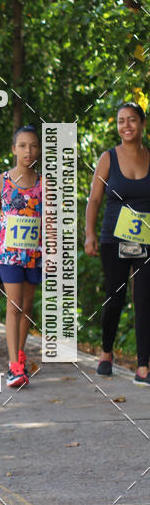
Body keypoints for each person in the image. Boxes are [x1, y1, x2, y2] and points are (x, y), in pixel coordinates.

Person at [85, 101, 150, 384]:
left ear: (143, 124)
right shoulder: (108, 158)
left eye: (132, 120)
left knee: (145, 300)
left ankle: (143, 366)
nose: (127, 125)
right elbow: (95, 199)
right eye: (121, 120)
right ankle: (106, 352)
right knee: (115, 298)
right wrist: (89, 234)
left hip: (146, 239)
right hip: (114, 239)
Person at [0, 126, 42, 388]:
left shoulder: (45, 183)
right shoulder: (0, 182)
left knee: (27, 308)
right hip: (8, 254)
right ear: (14, 149)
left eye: (34, 146)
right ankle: (14, 366)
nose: (29, 151)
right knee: (14, 304)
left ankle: (19, 354)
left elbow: (51, 221)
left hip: (35, 254)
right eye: (23, 145)